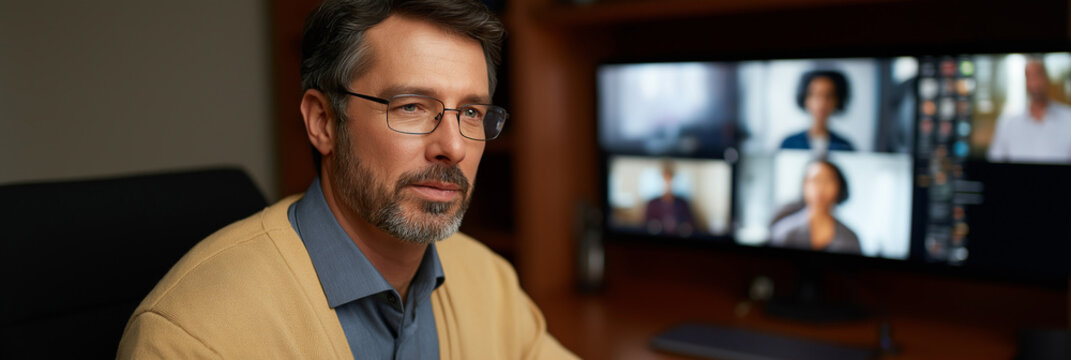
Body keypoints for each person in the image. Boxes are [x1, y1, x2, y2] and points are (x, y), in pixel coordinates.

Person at [117, 1, 576, 358]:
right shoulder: (194, 335)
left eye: (471, 112)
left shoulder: (488, 281)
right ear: (323, 122)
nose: (453, 147)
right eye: (411, 106)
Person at [987, 58, 1071, 164]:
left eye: (1038, 75)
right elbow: (994, 167)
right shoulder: (1007, 124)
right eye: (1029, 77)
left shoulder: (1069, 120)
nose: (1035, 83)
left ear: (1047, 78)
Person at [769, 159, 861, 255]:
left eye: (827, 181)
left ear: (839, 187)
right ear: (804, 185)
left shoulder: (850, 238)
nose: (820, 188)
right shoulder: (784, 233)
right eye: (814, 180)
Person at [780, 70, 856, 153]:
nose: (822, 103)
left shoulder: (845, 146)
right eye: (816, 95)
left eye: (828, 96)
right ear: (805, 99)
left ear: (837, 101)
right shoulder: (789, 144)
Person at [644, 160, 697, 236]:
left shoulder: (683, 203)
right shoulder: (652, 203)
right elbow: (645, 226)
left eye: (670, 179)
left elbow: (691, 225)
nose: (667, 183)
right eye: (665, 179)